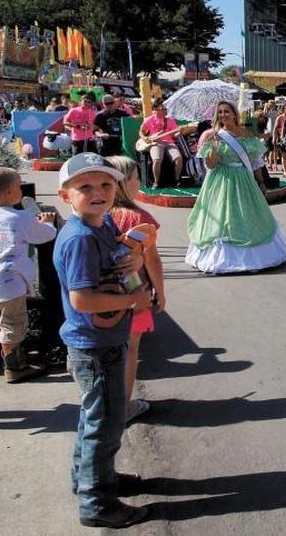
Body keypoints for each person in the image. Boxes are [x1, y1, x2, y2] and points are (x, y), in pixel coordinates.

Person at [53, 152, 151, 529]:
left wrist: (137, 259)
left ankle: (92, 479)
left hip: (103, 339)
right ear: (66, 196)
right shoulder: (79, 239)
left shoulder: (104, 224)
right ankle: (97, 502)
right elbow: (83, 299)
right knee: (105, 427)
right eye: (86, 187)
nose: (98, 192)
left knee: (96, 419)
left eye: (106, 184)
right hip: (94, 345)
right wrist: (134, 300)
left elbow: (124, 256)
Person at [185, 101, 286, 273]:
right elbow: (211, 165)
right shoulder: (212, 136)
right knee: (222, 216)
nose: (223, 115)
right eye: (219, 112)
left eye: (226, 111)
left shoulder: (246, 135)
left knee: (247, 214)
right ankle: (222, 257)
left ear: (234, 114)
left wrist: (262, 182)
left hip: (244, 180)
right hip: (220, 180)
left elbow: (256, 162)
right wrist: (213, 146)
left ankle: (255, 255)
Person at [0, 167, 55, 382]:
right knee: (13, 322)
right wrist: (47, 222)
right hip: (11, 279)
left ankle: (15, 353)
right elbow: (44, 236)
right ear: (10, 192)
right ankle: (13, 365)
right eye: (19, 186)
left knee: (9, 319)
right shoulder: (20, 217)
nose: (21, 190)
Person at [106, 156, 167, 424]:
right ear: (126, 183)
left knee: (109, 351)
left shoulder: (98, 216)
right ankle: (124, 406)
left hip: (103, 295)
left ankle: (107, 403)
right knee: (130, 349)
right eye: (136, 177)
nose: (139, 181)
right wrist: (161, 293)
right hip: (137, 295)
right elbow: (152, 259)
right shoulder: (139, 217)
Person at [138, 99, 183, 188]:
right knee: (157, 159)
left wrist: (179, 133)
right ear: (155, 110)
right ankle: (156, 181)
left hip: (169, 143)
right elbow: (141, 132)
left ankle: (177, 180)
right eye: (162, 109)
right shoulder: (149, 120)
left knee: (178, 158)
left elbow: (174, 135)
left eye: (164, 109)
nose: (164, 110)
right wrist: (145, 138)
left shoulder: (170, 120)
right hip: (156, 143)